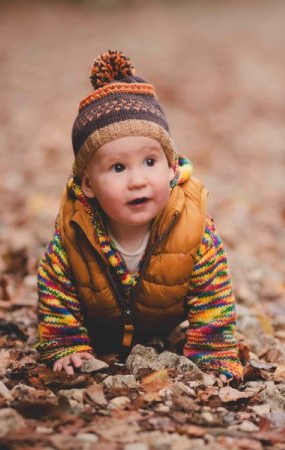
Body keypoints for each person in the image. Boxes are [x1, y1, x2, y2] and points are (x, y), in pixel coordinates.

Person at [36, 50, 242, 382]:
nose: (138, 180)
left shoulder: (193, 229)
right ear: (88, 183)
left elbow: (213, 295)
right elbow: (55, 287)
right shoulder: (75, 231)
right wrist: (66, 343)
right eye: (118, 168)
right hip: (98, 326)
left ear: (172, 167)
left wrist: (212, 352)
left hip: (160, 326)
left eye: (150, 162)